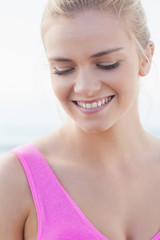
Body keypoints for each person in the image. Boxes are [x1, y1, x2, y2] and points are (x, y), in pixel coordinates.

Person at [0, 0, 160, 239]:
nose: (85, 87)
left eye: (107, 64)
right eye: (64, 69)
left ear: (145, 58)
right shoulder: (14, 180)